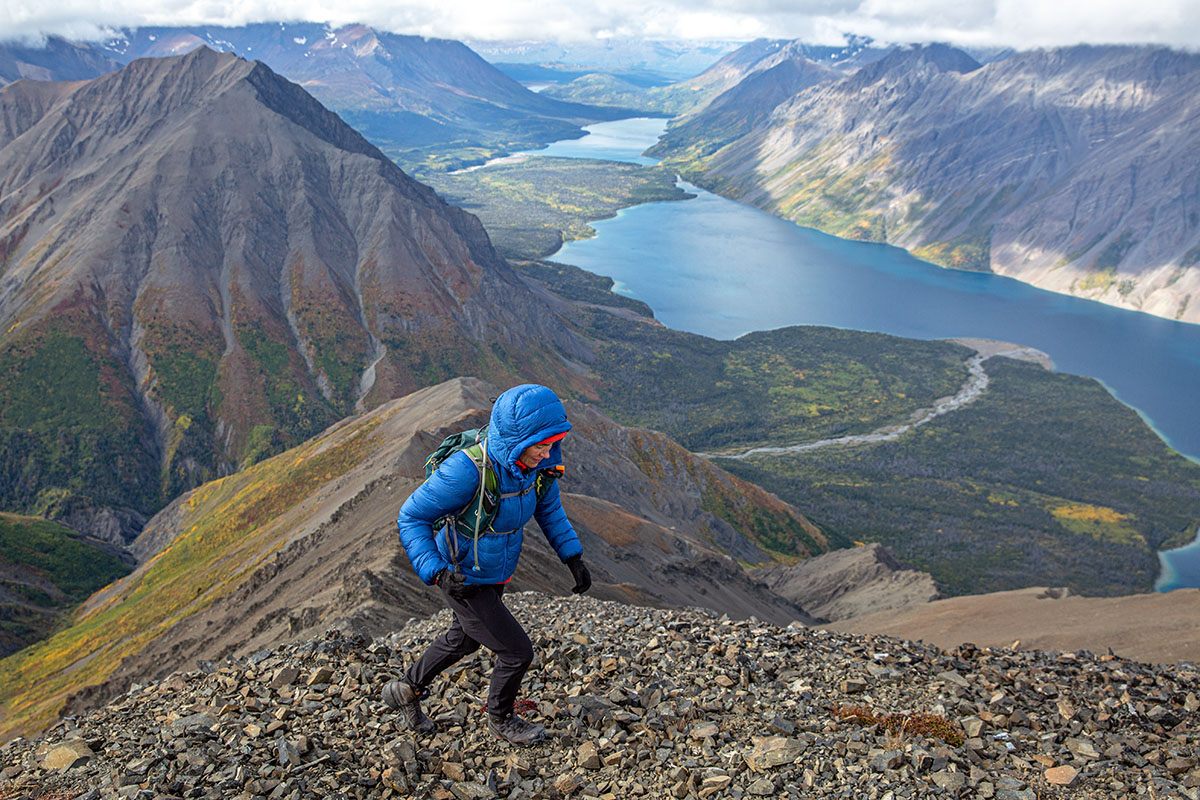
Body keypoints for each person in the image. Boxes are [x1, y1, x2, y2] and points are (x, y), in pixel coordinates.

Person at [384, 384, 592, 745]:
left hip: (493, 570)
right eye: (540, 445)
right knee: (516, 651)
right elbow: (411, 516)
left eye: (550, 444)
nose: (546, 453)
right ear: (517, 439)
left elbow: (549, 510)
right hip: (463, 576)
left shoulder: (537, 467)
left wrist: (572, 557)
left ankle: (406, 689)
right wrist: (437, 573)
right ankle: (501, 717)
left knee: (463, 638)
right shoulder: (467, 471)